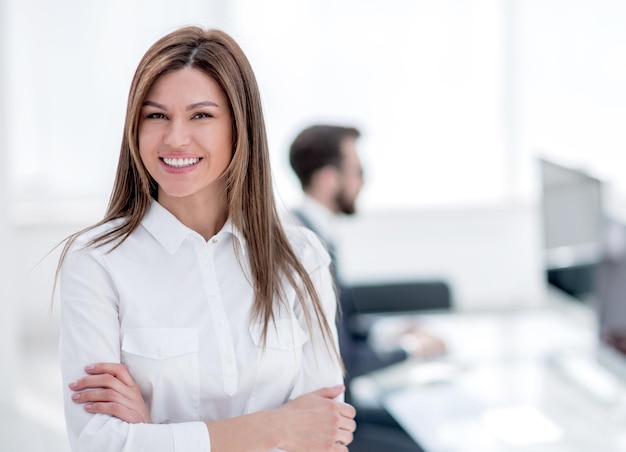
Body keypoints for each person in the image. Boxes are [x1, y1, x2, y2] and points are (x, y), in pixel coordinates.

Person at [56, 27, 356, 452]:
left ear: (240, 126)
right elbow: (99, 445)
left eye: (201, 115)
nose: (176, 138)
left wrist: (155, 435)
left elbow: (325, 433)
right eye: (156, 115)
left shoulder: (301, 255)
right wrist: (277, 429)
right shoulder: (97, 263)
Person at [288, 124, 445, 452]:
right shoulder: (306, 246)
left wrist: (389, 331)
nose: (363, 182)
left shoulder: (312, 229)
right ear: (329, 179)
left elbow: (339, 326)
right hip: (327, 423)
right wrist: (411, 349)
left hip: (341, 409)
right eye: (359, 171)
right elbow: (342, 359)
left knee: (424, 425)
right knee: (429, 438)